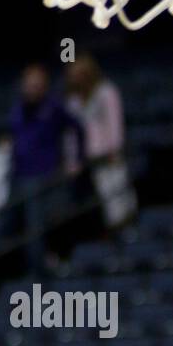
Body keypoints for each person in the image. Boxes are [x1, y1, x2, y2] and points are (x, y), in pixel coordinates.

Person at [8, 64, 84, 271]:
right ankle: (36, 273)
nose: (32, 89)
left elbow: (77, 128)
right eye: (29, 85)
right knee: (25, 229)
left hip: (49, 176)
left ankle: (50, 270)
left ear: (44, 86)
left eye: (36, 85)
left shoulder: (53, 108)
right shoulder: (17, 110)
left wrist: (77, 159)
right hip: (22, 177)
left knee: (48, 225)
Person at [65, 51, 136, 231]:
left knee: (119, 197)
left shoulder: (106, 92)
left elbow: (115, 122)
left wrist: (115, 149)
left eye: (80, 74)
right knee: (102, 203)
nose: (77, 79)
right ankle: (112, 235)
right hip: (89, 159)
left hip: (110, 156)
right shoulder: (72, 101)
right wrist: (73, 161)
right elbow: (71, 135)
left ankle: (126, 232)